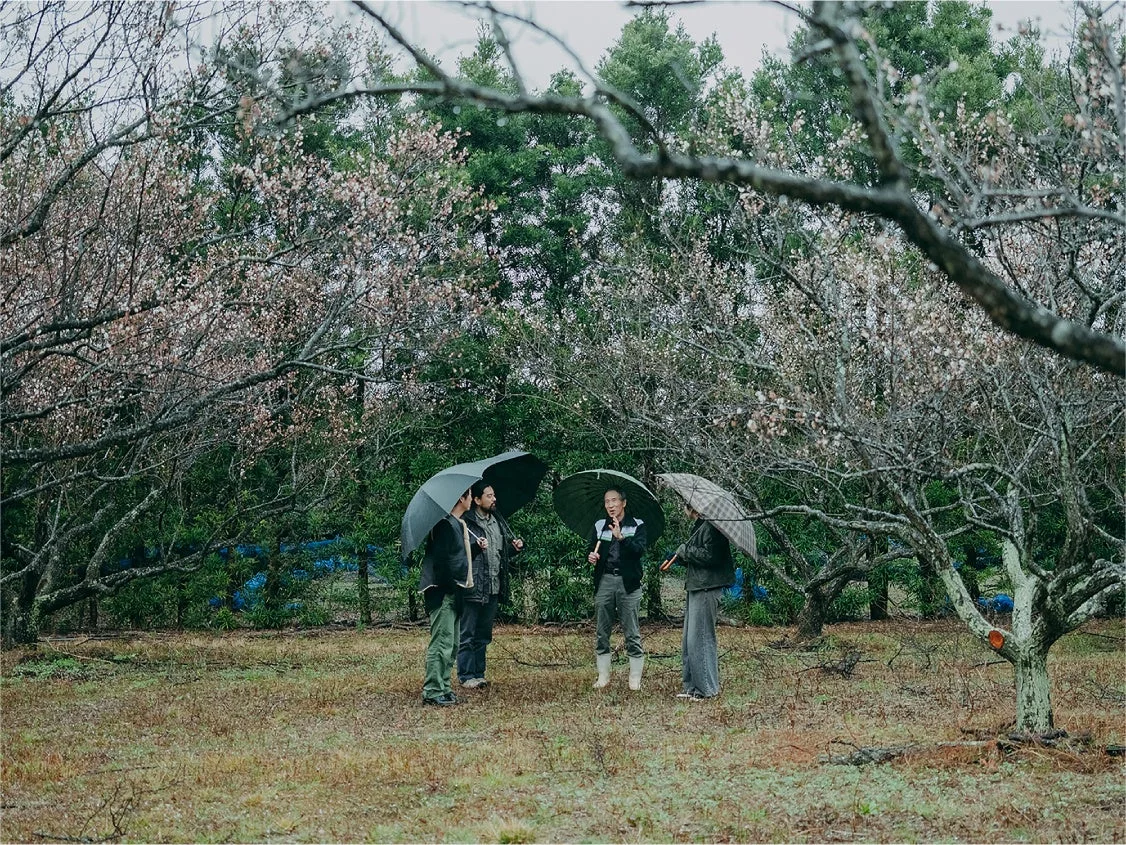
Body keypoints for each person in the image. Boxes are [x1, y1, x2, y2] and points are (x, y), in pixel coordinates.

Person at [418, 489, 485, 706]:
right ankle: (433, 690)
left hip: (456, 591)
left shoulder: (459, 525)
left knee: (453, 644)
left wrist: (475, 549)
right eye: (469, 495)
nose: (471, 500)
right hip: (443, 592)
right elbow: (441, 562)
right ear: (461, 498)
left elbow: (458, 557)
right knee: (442, 643)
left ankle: (444, 687)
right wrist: (451, 589)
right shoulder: (444, 525)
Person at [457, 480, 525, 689]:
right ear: (476, 500)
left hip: (493, 586)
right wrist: (476, 547)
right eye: (489, 496)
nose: (494, 499)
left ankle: (479, 673)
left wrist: (514, 548)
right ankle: (466, 675)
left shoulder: (498, 520)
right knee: (468, 633)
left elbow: (499, 552)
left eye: (494, 495)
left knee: (484, 634)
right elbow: (460, 554)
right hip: (473, 586)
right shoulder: (465, 522)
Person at [667, 505, 735, 700]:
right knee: (690, 640)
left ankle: (707, 689)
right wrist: (681, 557)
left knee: (702, 638)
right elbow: (699, 554)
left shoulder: (713, 526)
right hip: (696, 585)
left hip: (707, 587)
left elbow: (712, 556)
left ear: (691, 506)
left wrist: (685, 551)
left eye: (684, 506)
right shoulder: (700, 525)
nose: (683, 510)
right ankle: (692, 687)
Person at [587, 487, 648, 690]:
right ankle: (603, 676)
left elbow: (639, 551)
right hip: (604, 580)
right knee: (602, 631)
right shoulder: (599, 526)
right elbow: (591, 548)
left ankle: (634, 678)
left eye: (614, 501)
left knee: (632, 631)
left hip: (628, 583)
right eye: (607, 502)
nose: (610, 505)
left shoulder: (637, 525)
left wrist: (622, 537)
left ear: (624, 503)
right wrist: (592, 556)